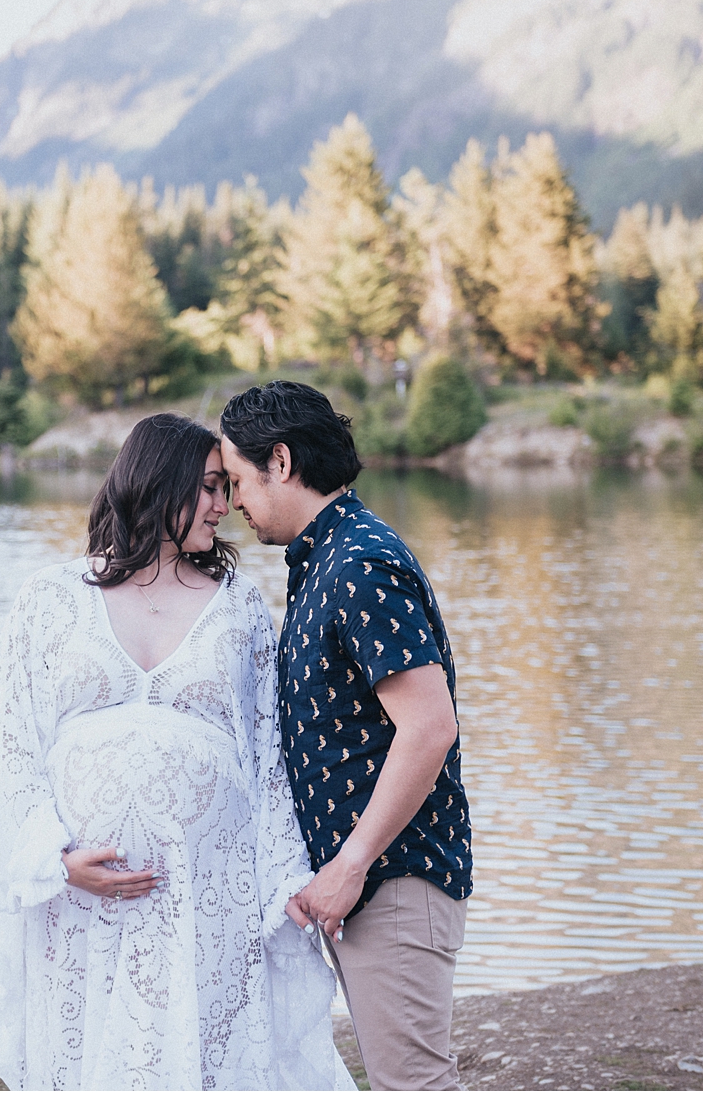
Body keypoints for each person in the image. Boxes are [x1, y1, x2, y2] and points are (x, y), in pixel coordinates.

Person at [0, 412, 354, 1091]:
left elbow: (269, 762)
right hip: (80, 899)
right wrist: (54, 860)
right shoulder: (49, 600)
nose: (223, 505)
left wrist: (289, 875)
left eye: (226, 487)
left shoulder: (240, 607)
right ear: (157, 483)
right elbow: (12, 748)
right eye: (207, 487)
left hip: (208, 894)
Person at [218, 381, 473, 1091]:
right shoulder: (324, 559)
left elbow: (429, 726)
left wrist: (351, 864)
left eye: (237, 480)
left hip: (395, 878)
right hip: (369, 884)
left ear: (281, 460)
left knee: (414, 1087)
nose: (234, 502)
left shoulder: (358, 563)